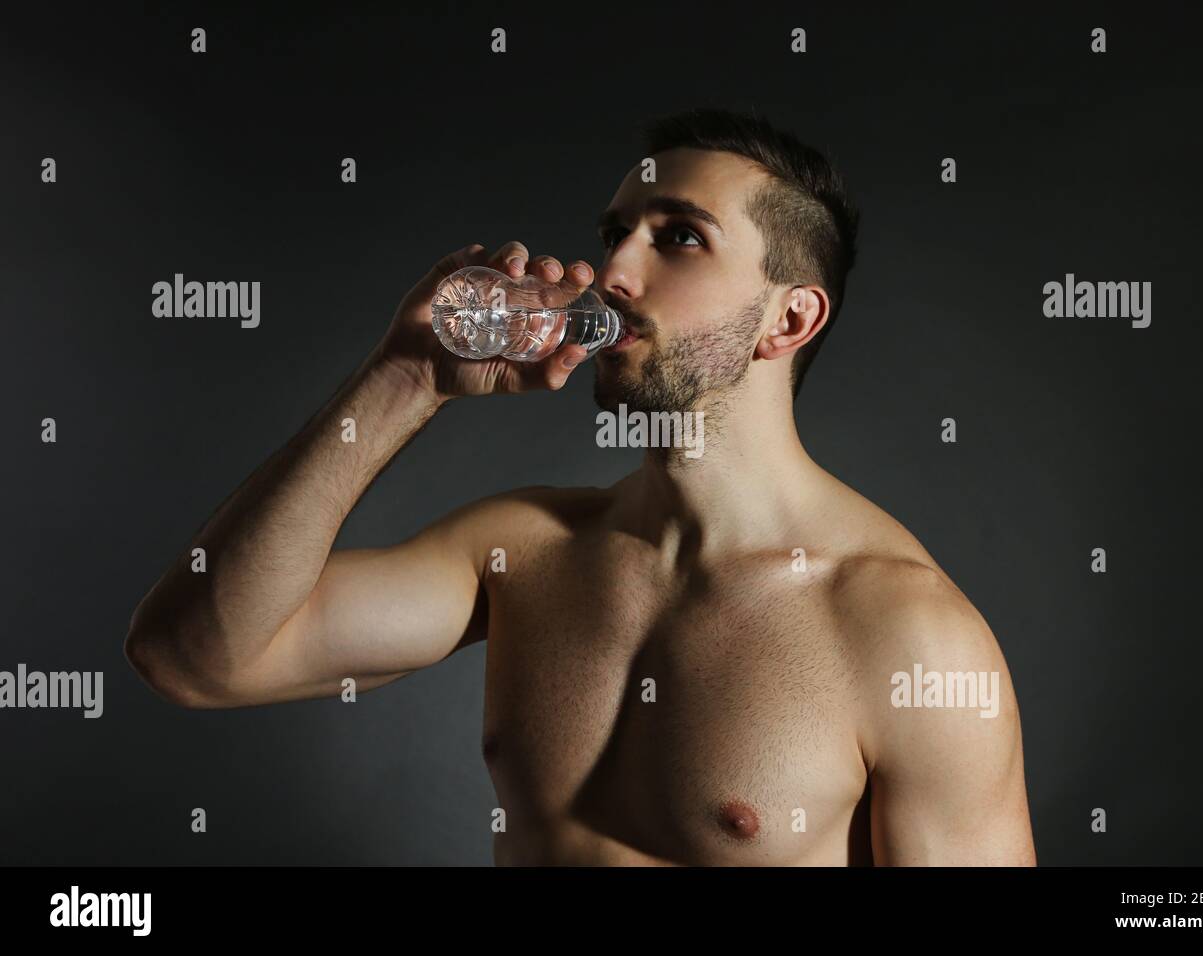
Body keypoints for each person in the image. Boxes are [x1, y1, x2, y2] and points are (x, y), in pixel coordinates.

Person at [125, 108, 1036, 866]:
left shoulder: (910, 635)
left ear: (789, 318)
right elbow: (193, 657)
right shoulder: (523, 551)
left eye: (679, 237)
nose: (615, 274)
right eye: (616, 235)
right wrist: (401, 382)